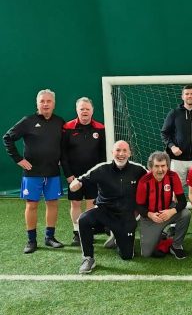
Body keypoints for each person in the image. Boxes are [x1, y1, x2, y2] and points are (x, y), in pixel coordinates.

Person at [69, 140, 147, 274]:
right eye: (117, 150)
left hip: (125, 217)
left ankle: (117, 237)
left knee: (127, 256)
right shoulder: (101, 169)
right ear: (112, 153)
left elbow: (154, 179)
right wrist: (75, 184)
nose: (121, 154)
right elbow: (81, 180)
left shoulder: (138, 169)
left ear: (130, 153)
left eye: (124, 151)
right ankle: (88, 258)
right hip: (104, 212)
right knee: (84, 219)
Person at [3, 89, 65, 253]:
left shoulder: (60, 122)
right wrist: (18, 159)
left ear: (54, 103)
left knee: (52, 204)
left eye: (48, 101)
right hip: (32, 173)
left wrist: (61, 157)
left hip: (52, 172)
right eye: (42, 101)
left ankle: (49, 238)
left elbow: (64, 144)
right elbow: (7, 137)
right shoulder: (28, 121)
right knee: (32, 205)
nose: (45, 104)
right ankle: (31, 241)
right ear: (37, 103)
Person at [61, 97, 106, 246]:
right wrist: (68, 174)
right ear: (77, 110)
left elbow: (103, 154)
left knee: (91, 203)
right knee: (75, 203)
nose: (84, 111)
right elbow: (63, 154)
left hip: (93, 176)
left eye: (87, 109)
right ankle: (77, 232)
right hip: (74, 176)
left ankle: (88, 230)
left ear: (92, 110)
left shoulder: (101, 128)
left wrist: (100, 174)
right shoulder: (67, 128)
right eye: (82, 109)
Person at [136, 151, 191, 259]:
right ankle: (164, 237)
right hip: (150, 218)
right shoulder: (144, 181)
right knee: (146, 254)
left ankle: (176, 246)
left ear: (167, 166)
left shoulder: (173, 176)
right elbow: (139, 206)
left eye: (163, 166)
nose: (160, 170)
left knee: (186, 214)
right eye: (157, 166)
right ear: (151, 167)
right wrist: (150, 215)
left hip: (167, 213)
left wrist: (171, 211)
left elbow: (182, 202)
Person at [161, 84, 192, 191]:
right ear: (182, 96)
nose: (189, 96)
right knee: (175, 189)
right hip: (178, 159)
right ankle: (177, 207)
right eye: (187, 94)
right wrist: (172, 147)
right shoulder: (174, 113)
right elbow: (164, 133)